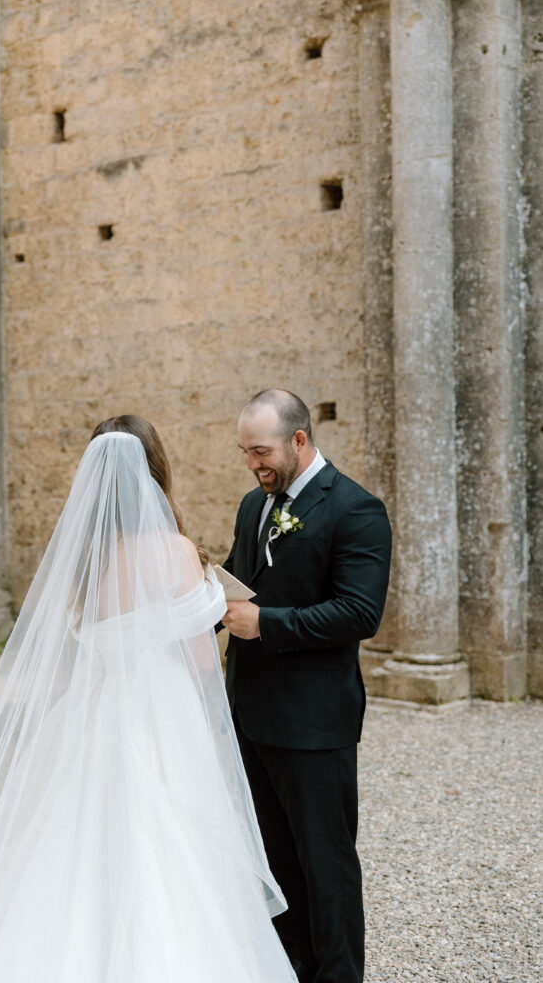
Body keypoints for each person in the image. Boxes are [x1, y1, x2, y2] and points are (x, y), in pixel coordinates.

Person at [0, 416, 298, 983]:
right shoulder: (174, 549)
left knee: (70, 841)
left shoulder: (82, 556)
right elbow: (196, 661)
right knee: (168, 841)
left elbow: (78, 647)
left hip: (93, 709)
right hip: (159, 713)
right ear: (155, 471)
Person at [221, 389, 392, 983]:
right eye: (244, 452)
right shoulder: (253, 506)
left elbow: (359, 613)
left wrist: (266, 623)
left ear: (299, 440)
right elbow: (242, 578)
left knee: (327, 866)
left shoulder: (356, 509)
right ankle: (291, 968)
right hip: (251, 714)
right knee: (275, 863)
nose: (252, 465)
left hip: (315, 724)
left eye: (261, 452)